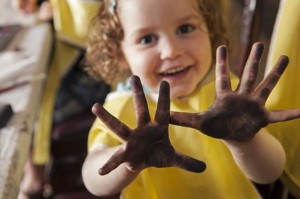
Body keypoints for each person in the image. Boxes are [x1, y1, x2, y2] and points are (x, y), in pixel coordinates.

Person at [81, 0, 300, 198]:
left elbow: (269, 173)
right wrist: (125, 160)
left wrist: (245, 142)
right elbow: (93, 179)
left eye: (185, 29)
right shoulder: (122, 107)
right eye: (147, 39)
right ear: (119, 54)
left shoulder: (225, 97)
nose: (171, 51)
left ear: (209, 30)